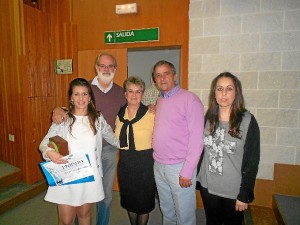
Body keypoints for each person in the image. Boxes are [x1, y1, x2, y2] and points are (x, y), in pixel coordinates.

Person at [52, 53, 127, 225]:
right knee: (80, 194)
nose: (106, 69)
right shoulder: (86, 87)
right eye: (102, 65)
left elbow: (134, 105)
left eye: (110, 66)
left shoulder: (120, 92)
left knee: (105, 196)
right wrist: (57, 108)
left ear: (115, 69)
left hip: (107, 150)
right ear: (96, 67)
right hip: (81, 154)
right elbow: (72, 108)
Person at [39, 78, 119, 225]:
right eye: (76, 94)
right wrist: (50, 153)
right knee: (66, 220)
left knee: (84, 215)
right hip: (67, 176)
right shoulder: (63, 119)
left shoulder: (98, 118)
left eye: (84, 94)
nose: (81, 98)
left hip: (88, 176)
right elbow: (44, 144)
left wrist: (134, 145)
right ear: (71, 97)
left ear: (89, 97)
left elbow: (113, 138)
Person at [197, 72, 260, 225]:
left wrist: (244, 193)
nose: (224, 93)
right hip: (208, 186)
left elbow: (252, 160)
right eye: (219, 89)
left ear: (236, 92)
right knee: (212, 222)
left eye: (229, 88)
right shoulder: (209, 117)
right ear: (214, 93)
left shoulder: (247, 121)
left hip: (233, 190)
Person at [152, 60, 204, 225]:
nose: (162, 78)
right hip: (159, 165)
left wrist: (187, 171)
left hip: (179, 167)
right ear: (154, 80)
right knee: (167, 210)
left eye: (166, 73)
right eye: (158, 75)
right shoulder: (160, 100)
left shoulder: (190, 99)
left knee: (185, 215)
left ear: (174, 75)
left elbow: (197, 140)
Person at [115, 76, 156, 225]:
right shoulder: (119, 115)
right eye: (130, 91)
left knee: (144, 201)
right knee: (129, 199)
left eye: (138, 92)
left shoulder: (152, 113)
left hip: (145, 163)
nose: (134, 95)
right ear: (125, 94)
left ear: (142, 94)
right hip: (126, 163)